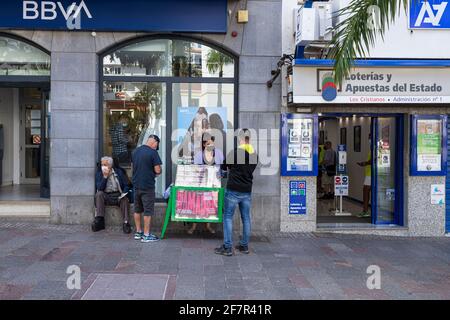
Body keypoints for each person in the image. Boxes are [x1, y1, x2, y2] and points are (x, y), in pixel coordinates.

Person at [215, 129, 258, 256]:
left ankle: (227, 247)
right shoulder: (254, 154)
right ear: (249, 139)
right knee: (246, 218)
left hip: (233, 189)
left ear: (240, 139)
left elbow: (223, 167)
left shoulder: (235, 152)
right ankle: (244, 246)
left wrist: (229, 169)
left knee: (228, 217)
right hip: (246, 190)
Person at [189, 132, 224, 235]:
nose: (211, 146)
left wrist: (219, 175)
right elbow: (195, 169)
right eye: (208, 143)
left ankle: (208, 226)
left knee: (211, 204)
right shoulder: (199, 154)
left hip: (214, 183)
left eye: (212, 143)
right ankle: (194, 226)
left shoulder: (218, 153)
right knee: (198, 204)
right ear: (204, 144)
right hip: (201, 183)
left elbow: (222, 167)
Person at [132, 134, 162, 243]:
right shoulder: (153, 153)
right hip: (148, 186)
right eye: (156, 145)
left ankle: (138, 232)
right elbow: (158, 170)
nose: (156, 147)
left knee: (137, 209)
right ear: (154, 142)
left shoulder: (135, 151)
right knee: (148, 211)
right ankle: (146, 235)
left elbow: (133, 167)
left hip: (136, 185)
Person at [92, 156, 131, 234]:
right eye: (102, 165)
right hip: (106, 196)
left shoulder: (119, 172)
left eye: (105, 165)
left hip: (118, 195)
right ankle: (99, 220)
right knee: (99, 194)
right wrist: (105, 177)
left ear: (110, 165)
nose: (103, 167)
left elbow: (127, 185)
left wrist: (124, 192)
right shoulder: (99, 174)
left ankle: (126, 223)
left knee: (125, 199)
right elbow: (100, 188)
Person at [357, 133, 372, 218]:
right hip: (369, 172)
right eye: (368, 138)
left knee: (366, 190)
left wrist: (364, 163)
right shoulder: (372, 148)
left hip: (371, 173)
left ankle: (365, 211)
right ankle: (366, 210)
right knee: (366, 190)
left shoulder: (375, 147)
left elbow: (374, 159)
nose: (369, 140)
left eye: (370, 138)